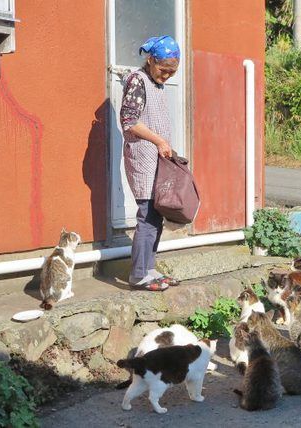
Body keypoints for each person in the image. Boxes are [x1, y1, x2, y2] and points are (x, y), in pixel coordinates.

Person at [120, 35, 182, 291]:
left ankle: (149, 268)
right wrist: (159, 141)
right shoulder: (138, 80)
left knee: (156, 215)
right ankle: (138, 274)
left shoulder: (157, 84)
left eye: (172, 72)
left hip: (157, 157)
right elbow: (130, 121)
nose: (166, 76)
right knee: (147, 214)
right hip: (143, 157)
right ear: (150, 60)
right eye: (163, 70)